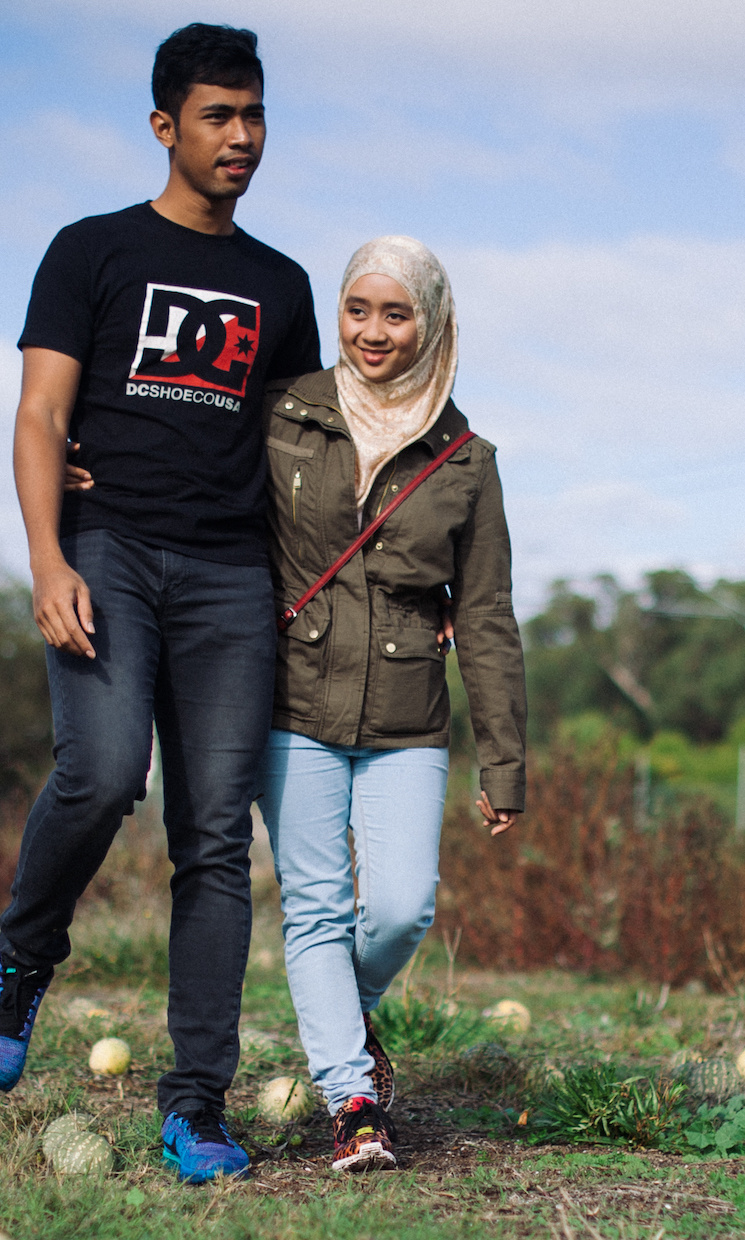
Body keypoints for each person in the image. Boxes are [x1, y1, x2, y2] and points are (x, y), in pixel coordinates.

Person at [0, 23, 319, 1186]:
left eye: (253, 115)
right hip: (107, 550)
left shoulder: (282, 286)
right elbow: (37, 414)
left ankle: (195, 1104)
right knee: (104, 770)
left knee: (214, 837)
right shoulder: (92, 251)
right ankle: (24, 955)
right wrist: (45, 558)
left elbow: (302, 453)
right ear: (165, 126)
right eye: (217, 116)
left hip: (231, 576)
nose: (241, 137)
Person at [258, 236, 526, 1172]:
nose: (373, 332)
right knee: (316, 910)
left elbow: (485, 614)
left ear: (433, 324)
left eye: (397, 313)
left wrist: (504, 762)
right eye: (358, 309)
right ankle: (353, 1101)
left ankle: (337, 1012)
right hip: (292, 699)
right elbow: (202, 502)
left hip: (408, 712)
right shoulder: (283, 414)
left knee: (406, 906)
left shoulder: (467, 460)